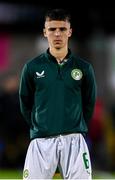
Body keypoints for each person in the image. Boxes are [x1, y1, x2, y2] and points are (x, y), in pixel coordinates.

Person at [19, 8, 97, 179]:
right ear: (44, 32)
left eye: (62, 29)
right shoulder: (32, 68)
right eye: (52, 29)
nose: (57, 34)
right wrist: (40, 126)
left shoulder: (84, 68)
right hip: (41, 142)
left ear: (69, 31)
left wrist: (76, 126)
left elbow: (89, 103)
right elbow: (25, 103)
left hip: (74, 141)